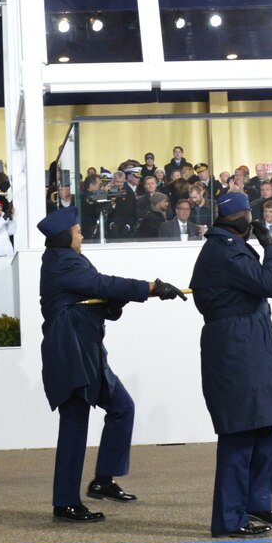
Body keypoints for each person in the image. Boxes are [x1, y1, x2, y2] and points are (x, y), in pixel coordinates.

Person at [36, 206, 184, 522]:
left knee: (122, 407)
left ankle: (104, 480)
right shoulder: (61, 262)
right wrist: (151, 288)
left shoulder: (68, 260)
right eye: (77, 231)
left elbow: (94, 295)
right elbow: (102, 285)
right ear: (65, 236)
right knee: (74, 424)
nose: (82, 234)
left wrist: (114, 303)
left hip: (87, 350)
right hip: (71, 352)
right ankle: (65, 503)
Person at [190, 193, 272, 539]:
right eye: (249, 215)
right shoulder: (224, 250)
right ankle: (229, 519)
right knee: (240, 430)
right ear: (238, 218)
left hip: (252, 338)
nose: (253, 223)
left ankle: (256, 501)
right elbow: (270, 284)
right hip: (235, 344)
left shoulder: (229, 245)